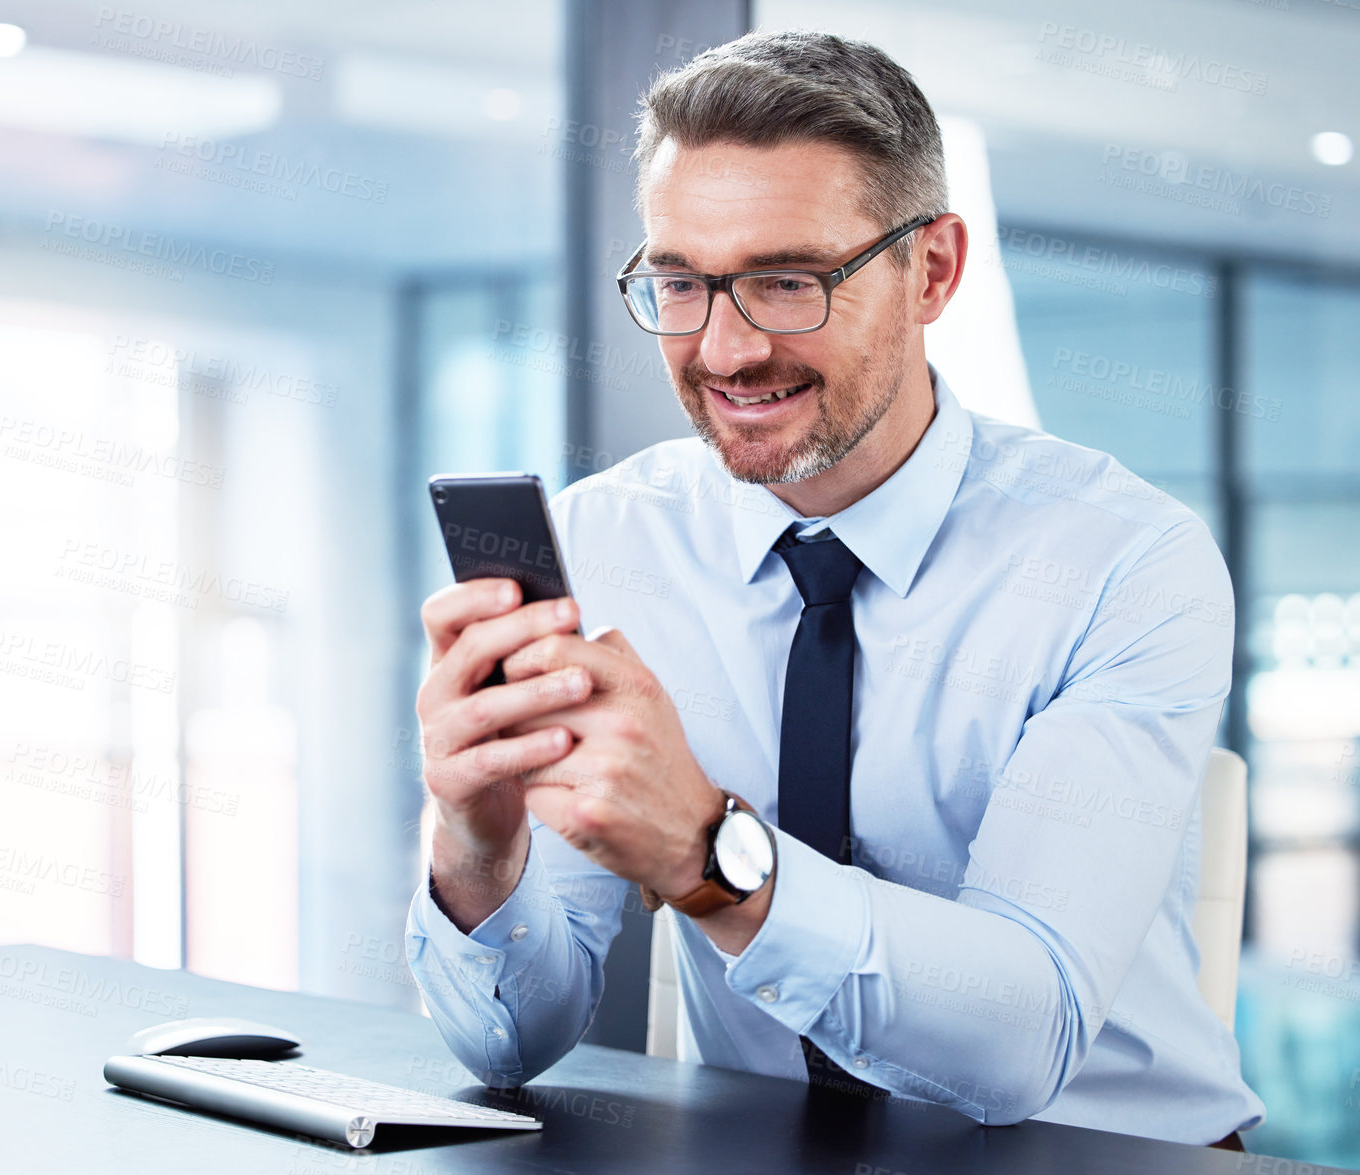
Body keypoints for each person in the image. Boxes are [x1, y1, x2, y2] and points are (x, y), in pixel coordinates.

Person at [404, 30, 1264, 1148]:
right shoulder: (609, 542)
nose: (725, 349)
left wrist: (710, 857)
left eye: (786, 281)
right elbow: (509, 1043)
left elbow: (1022, 1041)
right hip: (775, 1149)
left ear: (935, 271)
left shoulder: (1124, 564)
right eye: (681, 282)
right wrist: (478, 840)